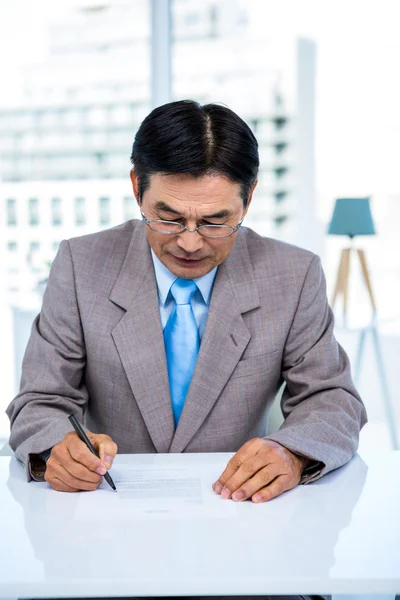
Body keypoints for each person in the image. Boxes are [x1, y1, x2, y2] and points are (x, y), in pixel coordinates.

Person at [7, 99, 367, 505]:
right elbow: (40, 400)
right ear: (136, 188)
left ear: (248, 198)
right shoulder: (80, 265)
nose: (190, 242)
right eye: (169, 218)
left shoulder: (293, 275)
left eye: (215, 222)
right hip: (107, 510)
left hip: (241, 511)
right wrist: (59, 448)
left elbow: (333, 399)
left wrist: (293, 452)